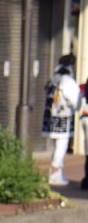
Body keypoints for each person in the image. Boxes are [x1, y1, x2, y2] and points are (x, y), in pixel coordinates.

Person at [42, 54, 78, 186]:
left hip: (50, 116)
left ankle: (54, 173)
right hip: (63, 117)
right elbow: (76, 100)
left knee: (54, 146)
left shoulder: (53, 79)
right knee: (61, 145)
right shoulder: (67, 80)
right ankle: (56, 173)